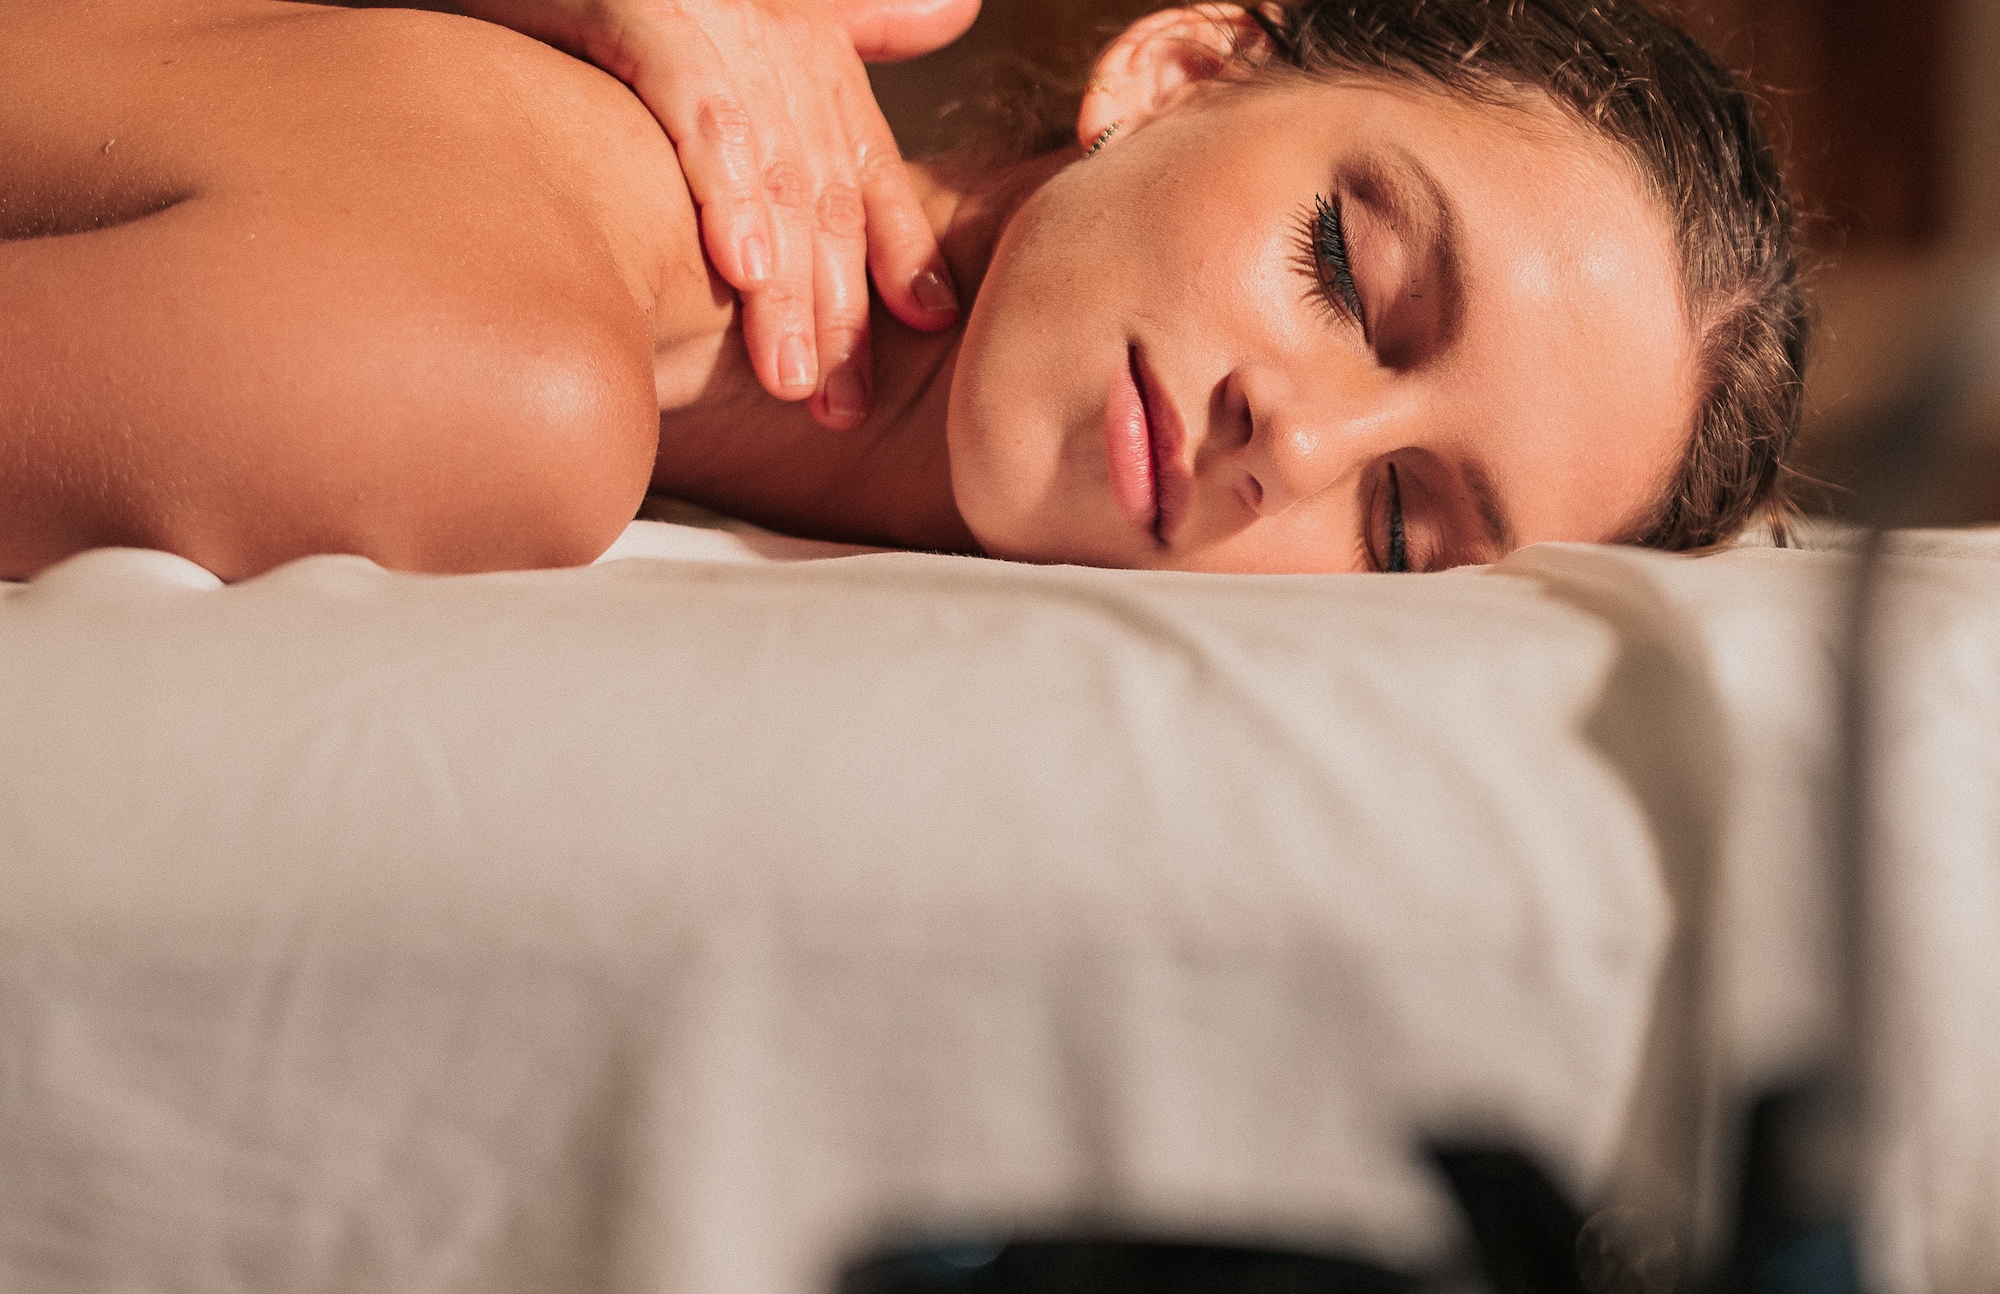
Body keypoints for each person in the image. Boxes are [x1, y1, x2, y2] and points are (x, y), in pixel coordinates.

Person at [0, 0, 1805, 579]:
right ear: (1175, 74)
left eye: (1407, 531)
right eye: (1343, 266)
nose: (1302, 436)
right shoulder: (524, 397)